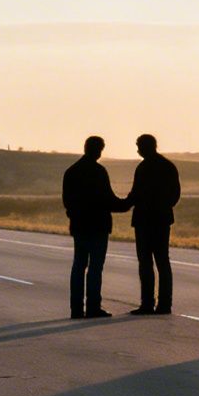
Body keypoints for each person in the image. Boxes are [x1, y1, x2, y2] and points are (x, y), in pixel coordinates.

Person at [61, 136, 127, 319]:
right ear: (98, 150)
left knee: (78, 265)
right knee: (95, 267)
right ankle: (93, 307)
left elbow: (67, 201)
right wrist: (128, 203)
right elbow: (108, 200)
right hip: (98, 226)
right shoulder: (98, 171)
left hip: (80, 225)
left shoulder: (71, 171)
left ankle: (76, 309)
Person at [125, 133, 181, 315]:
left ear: (145, 147)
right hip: (162, 220)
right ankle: (165, 304)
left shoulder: (143, 167)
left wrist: (120, 205)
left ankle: (147, 303)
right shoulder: (168, 166)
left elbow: (134, 194)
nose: (138, 150)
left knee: (146, 263)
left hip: (144, 221)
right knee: (163, 261)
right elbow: (175, 195)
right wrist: (163, 207)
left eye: (139, 146)